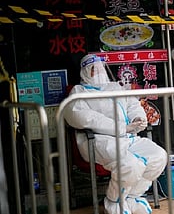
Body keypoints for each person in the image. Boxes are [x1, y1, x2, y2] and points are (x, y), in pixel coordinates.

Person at [63, 54, 167, 214]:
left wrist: (138, 118)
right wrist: (121, 128)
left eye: (100, 68)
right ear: (84, 72)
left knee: (159, 156)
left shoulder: (116, 87)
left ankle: (130, 197)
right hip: (99, 140)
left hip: (129, 138)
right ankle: (113, 202)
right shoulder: (79, 92)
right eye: (93, 70)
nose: (98, 72)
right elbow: (83, 117)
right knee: (131, 164)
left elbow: (133, 104)